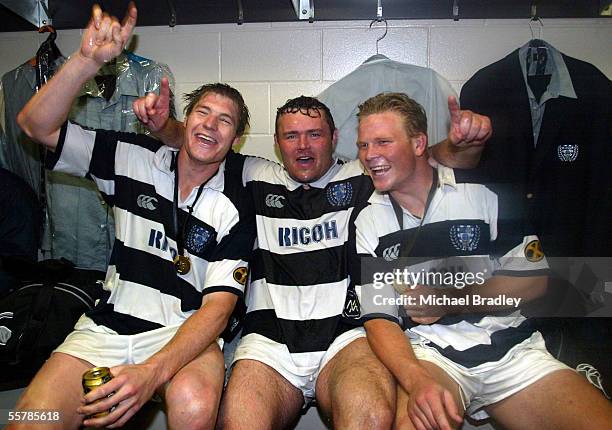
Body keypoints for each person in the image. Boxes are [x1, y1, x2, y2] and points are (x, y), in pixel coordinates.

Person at [134, 86, 490, 426]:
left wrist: (464, 143)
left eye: (315, 134)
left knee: (370, 415)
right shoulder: (253, 175)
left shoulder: (364, 174)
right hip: (270, 344)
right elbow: (204, 142)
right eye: (291, 136)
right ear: (276, 144)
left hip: (345, 338)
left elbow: (427, 158)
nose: (303, 146)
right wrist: (163, 125)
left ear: (335, 139)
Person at [9, 4, 255, 429]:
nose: (211, 125)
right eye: (203, 112)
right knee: (32, 418)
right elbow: (36, 126)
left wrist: (149, 374)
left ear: (235, 139)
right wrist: (87, 61)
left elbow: (216, 311)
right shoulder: (131, 156)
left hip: (183, 334)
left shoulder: (234, 203)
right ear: (186, 119)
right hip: (105, 327)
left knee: (194, 406)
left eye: (225, 121)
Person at [353, 92, 612, 430]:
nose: (371, 155)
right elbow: (379, 320)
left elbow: (534, 281)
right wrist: (415, 380)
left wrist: (451, 301)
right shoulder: (368, 220)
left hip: (512, 350)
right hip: (431, 355)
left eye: (383, 142)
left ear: (419, 144)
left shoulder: (484, 193)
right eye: (363, 146)